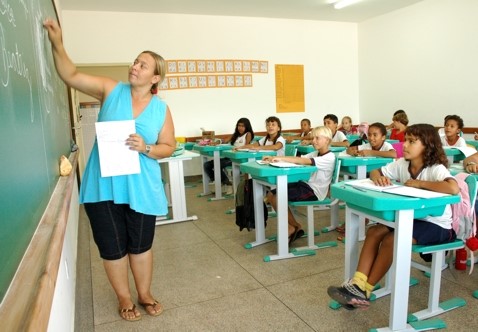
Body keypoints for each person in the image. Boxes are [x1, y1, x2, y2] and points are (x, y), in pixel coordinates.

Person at [44, 19, 176, 321]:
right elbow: (70, 74)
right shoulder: (111, 89)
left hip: (141, 187)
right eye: (135, 62)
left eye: (142, 65)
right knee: (112, 247)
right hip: (102, 184)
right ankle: (125, 298)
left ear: (155, 77)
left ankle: (145, 294)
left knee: (140, 246)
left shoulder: (161, 109)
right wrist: (57, 43)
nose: (135, 67)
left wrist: (146, 147)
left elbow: (167, 145)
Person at [327, 124, 459, 309]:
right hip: (413, 218)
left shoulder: (435, 168)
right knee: (374, 231)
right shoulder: (402, 164)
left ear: (427, 145)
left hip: (437, 225)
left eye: (412, 141)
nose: (405, 145)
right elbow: (376, 172)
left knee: (392, 239)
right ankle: (357, 284)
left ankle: (365, 291)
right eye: (406, 140)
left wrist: (420, 183)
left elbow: (453, 188)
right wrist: (377, 178)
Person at [262, 126, 335, 244]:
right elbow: (297, 158)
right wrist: (275, 159)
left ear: (327, 140)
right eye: (313, 138)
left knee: (277, 197)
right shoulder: (316, 153)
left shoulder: (329, 157)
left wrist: (278, 157)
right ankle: (295, 226)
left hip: (314, 191)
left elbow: (304, 161)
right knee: (271, 194)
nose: (314, 141)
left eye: (317, 138)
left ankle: (292, 227)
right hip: (304, 185)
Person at [204, 118, 254, 187]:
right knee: (206, 165)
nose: (240, 128)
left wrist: (238, 149)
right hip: (230, 157)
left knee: (217, 164)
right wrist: (215, 142)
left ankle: (226, 183)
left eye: (243, 126)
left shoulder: (248, 134)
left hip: (238, 158)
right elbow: (225, 140)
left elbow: (247, 146)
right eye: (239, 126)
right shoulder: (236, 134)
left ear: (247, 127)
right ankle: (222, 181)